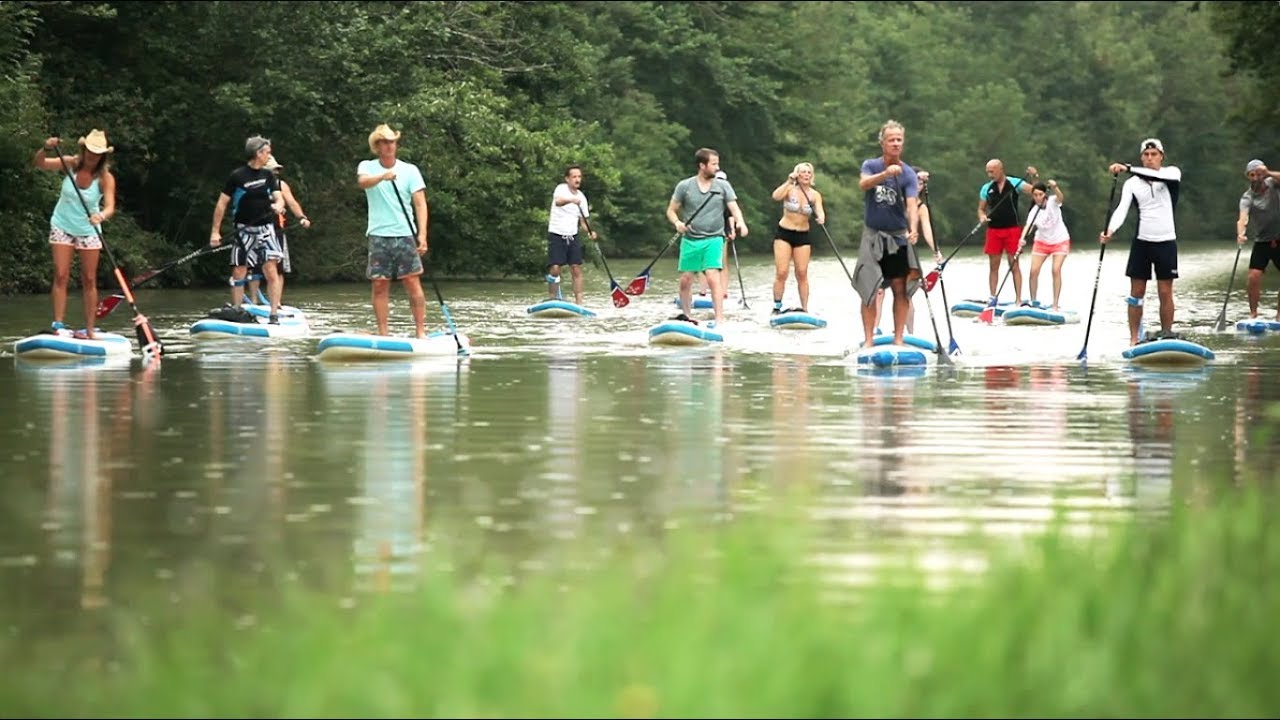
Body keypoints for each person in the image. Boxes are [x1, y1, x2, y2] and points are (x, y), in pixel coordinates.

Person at [31, 130, 117, 339]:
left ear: (102, 156)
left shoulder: (105, 178)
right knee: (61, 274)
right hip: (62, 225)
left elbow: (110, 206)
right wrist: (46, 148)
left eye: (97, 153)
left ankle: (89, 329)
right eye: (89, 151)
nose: (92, 156)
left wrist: (101, 217)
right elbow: (40, 163)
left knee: (89, 278)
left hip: (89, 230)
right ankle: (58, 324)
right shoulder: (69, 162)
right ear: (84, 149)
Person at [1101, 138, 1183, 345]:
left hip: (1166, 242)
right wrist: (1109, 230)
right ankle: (1133, 339)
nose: (1149, 158)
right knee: (1136, 292)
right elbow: (1121, 209)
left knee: (1165, 290)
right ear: (1141, 157)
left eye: (1154, 154)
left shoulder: (1171, 174)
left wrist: (1127, 167)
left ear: (1161, 156)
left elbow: (1152, 174)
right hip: (1142, 242)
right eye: (1146, 155)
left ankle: (1166, 334)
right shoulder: (1132, 184)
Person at [356, 123, 430, 338]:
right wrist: (382, 176)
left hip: (405, 233)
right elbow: (362, 182)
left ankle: (420, 331)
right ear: (377, 146)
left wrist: (422, 235)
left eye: (392, 142)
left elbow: (420, 204)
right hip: (379, 234)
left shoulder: (410, 170)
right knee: (380, 284)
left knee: (412, 281)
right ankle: (383, 333)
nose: (389, 146)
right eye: (384, 143)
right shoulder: (367, 166)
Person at [853, 120, 919, 348]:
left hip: (898, 237)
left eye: (899, 139)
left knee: (901, 289)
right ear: (882, 143)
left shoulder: (908, 173)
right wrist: (885, 174)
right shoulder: (871, 165)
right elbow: (863, 184)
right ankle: (869, 341)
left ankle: (898, 339)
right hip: (873, 235)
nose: (896, 143)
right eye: (891, 140)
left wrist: (914, 229)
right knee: (870, 289)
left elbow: (912, 204)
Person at [666, 148, 749, 327]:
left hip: (714, 238)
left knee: (712, 276)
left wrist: (741, 223)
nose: (717, 168)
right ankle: (687, 316)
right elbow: (671, 210)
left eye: (717, 164)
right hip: (691, 239)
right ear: (702, 166)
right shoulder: (685, 186)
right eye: (714, 164)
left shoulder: (723, 186)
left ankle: (719, 319)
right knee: (686, 279)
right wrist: (677, 223)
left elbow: (734, 208)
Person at [209, 135, 286, 323]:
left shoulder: (268, 176)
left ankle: (273, 314)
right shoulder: (237, 176)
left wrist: (278, 204)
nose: (269, 155)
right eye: (267, 152)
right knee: (239, 271)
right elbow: (221, 204)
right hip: (243, 231)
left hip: (266, 230)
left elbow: (279, 197)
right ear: (257, 153)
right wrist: (215, 232)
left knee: (270, 270)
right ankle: (236, 311)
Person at [875, 168, 942, 333]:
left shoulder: (921, 207)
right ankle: (875, 329)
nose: (917, 185)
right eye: (915, 181)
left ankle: (909, 334)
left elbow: (927, 230)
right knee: (879, 290)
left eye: (921, 183)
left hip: (907, 252)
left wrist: (936, 251)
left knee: (904, 295)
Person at [245, 154, 311, 308]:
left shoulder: (281, 185)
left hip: (276, 231)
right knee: (254, 265)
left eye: (275, 170)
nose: (275, 173)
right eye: (271, 170)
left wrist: (302, 217)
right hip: (254, 229)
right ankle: (254, 301)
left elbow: (292, 203)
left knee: (278, 267)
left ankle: (277, 302)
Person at [978, 159, 1038, 305]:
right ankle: (993, 297)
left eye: (992, 171)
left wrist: (1034, 177)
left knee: (1014, 264)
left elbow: (1037, 193)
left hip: (1012, 229)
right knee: (994, 265)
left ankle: (1018, 299)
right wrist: (982, 217)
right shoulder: (987, 188)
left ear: (1000, 169)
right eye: (988, 172)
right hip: (994, 230)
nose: (990, 175)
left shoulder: (1015, 183)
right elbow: (981, 208)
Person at [769, 162, 826, 314]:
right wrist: (789, 181)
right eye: (802, 172)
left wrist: (821, 218)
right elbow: (775, 196)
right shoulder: (789, 189)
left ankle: (805, 309)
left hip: (802, 235)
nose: (806, 175)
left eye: (808, 172)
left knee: (802, 272)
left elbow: (820, 211)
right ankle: (776, 306)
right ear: (797, 174)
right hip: (784, 233)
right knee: (782, 272)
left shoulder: (814, 195)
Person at [545, 164, 597, 306]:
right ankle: (553, 297)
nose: (577, 179)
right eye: (574, 177)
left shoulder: (582, 198)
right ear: (567, 179)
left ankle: (579, 302)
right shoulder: (561, 189)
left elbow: (583, 223)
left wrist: (590, 232)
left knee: (576, 268)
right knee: (555, 268)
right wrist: (571, 200)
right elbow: (558, 202)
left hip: (572, 236)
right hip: (556, 234)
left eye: (579, 177)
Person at [1236, 159, 1280, 319]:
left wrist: (1268, 172)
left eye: (1258, 174)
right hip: (1262, 240)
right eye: (1252, 175)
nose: (1255, 178)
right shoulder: (1247, 197)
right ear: (1248, 176)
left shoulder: (1273, 184)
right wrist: (1241, 234)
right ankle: (1253, 314)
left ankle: (1279, 315)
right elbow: (1242, 218)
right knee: (1253, 276)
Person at [1023, 179, 1070, 310]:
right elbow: (1028, 226)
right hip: (1042, 242)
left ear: (1045, 194)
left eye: (1040, 194)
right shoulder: (1034, 211)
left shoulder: (1052, 202)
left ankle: (1055, 304)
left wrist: (1055, 187)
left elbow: (1061, 198)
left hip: (1060, 240)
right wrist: (1022, 240)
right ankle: (1034, 301)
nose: (1038, 198)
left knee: (1055, 270)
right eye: (1035, 195)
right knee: (1033, 271)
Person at [698, 169, 734, 298]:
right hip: (702, 232)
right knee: (702, 263)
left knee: (721, 263)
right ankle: (703, 291)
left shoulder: (726, 197)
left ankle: (723, 292)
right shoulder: (703, 194)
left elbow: (730, 215)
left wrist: (732, 230)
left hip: (721, 232)